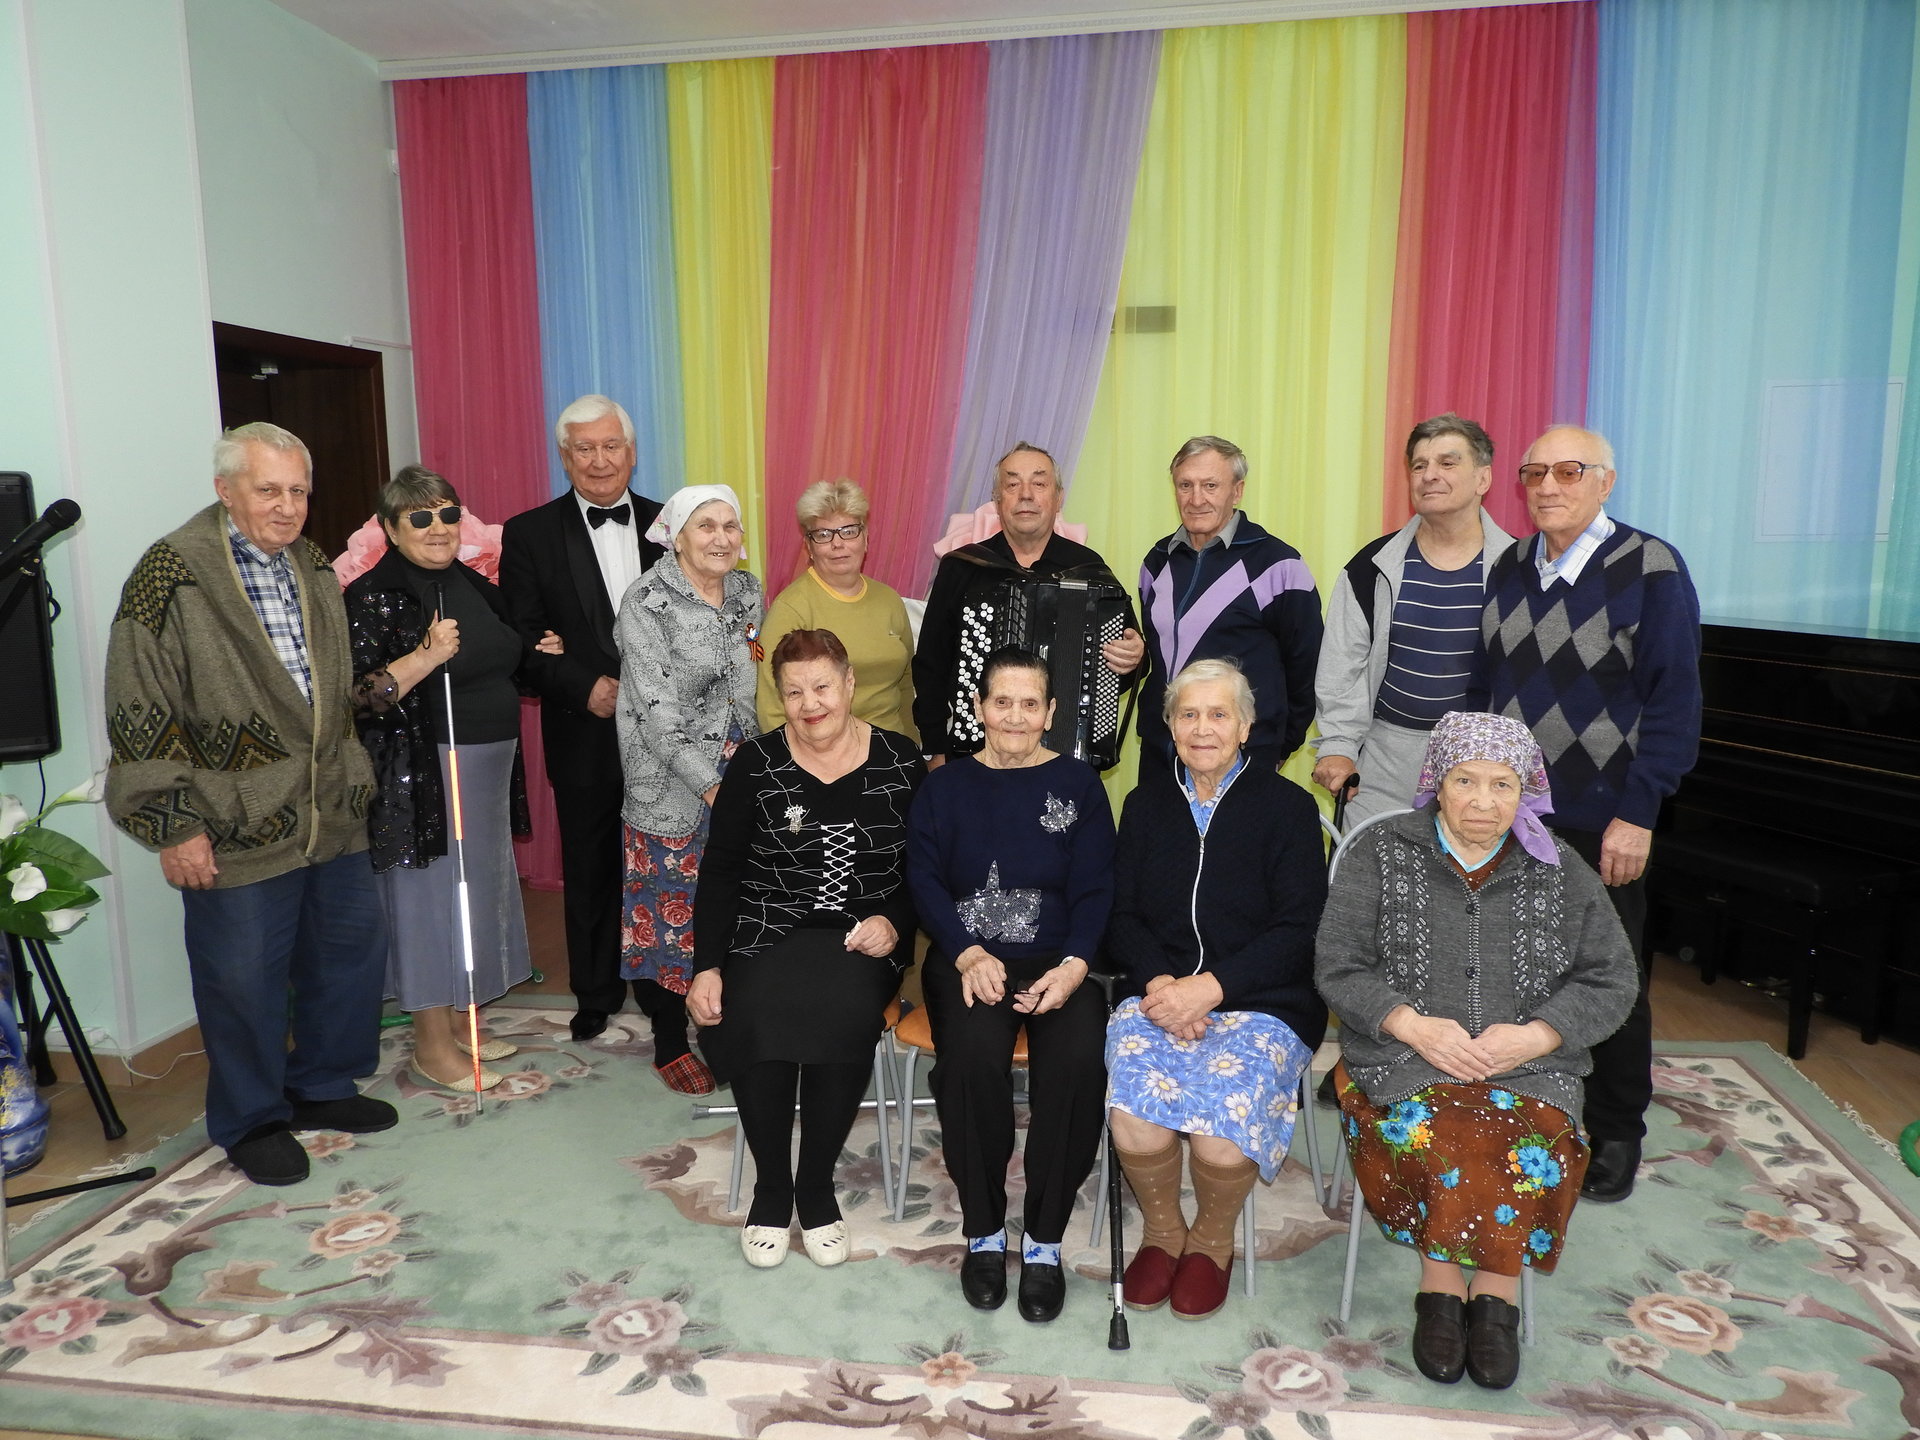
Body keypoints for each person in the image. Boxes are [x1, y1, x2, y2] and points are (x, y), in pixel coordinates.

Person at [104, 422, 394, 1186]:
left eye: (299, 491)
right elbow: (139, 703)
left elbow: (329, 691)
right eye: (269, 490)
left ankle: (322, 1084)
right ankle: (252, 1118)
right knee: (241, 980)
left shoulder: (314, 564)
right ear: (224, 489)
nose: (287, 506)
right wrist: (173, 824)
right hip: (232, 821)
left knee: (348, 956)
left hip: (330, 811)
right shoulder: (170, 574)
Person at [1314, 711, 1637, 1390]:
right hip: (1403, 1056)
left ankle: (1496, 1294)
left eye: (1501, 785)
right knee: (1438, 1131)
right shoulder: (1382, 852)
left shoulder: (1560, 867)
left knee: (1532, 1137)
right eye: (1466, 781)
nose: (1483, 802)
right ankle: (1441, 1287)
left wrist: (1537, 1035)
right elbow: (1337, 964)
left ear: (1526, 792)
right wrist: (1413, 1026)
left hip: (1531, 1065)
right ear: (1437, 782)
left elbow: (1613, 978)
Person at [1464, 425, 1701, 1203]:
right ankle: (1533, 1103)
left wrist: (1640, 813)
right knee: (1510, 971)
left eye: (1569, 471)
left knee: (1608, 977)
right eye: (1534, 472)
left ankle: (1617, 1128)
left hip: (1603, 822)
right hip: (1509, 814)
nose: (1547, 486)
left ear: (1606, 481)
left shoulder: (1650, 568)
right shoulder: (1509, 565)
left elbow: (1674, 701)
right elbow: (1482, 690)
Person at [687, 629, 924, 1268]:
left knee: (841, 1010)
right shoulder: (755, 763)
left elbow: (925, 870)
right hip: (765, 930)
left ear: (849, 684)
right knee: (752, 1009)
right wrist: (707, 966)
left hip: (860, 938)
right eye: (794, 692)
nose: (810, 704)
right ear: (779, 697)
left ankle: (816, 1187)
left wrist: (894, 921)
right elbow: (722, 869)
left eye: (822, 687)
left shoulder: (900, 760)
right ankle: (772, 1186)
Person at [1104, 659, 1328, 1320]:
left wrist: (1212, 988)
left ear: (1246, 726)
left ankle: (1210, 1240)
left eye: (1219, 714)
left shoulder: (1289, 809)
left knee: (1218, 1133)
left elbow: (1301, 929)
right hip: (1159, 993)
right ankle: (1163, 1231)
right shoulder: (1144, 805)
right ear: (1170, 726)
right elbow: (1120, 914)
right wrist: (1162, 984)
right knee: (1134, 1111)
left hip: (1265, 998)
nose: (1203, 728)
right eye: (1188, 714)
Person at [907, 647, 1115, 1324]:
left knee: (1077, 1063)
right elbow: (923, 879)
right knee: (971, 1061)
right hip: (969, 959)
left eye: (1030, 704)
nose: (1016, 717)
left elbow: (1097, 887)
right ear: (980, 709)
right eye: (1003, 703)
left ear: (1051, 713)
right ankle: (985, 1230)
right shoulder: (943, 787)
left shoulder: (1080, 785)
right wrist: (967, 953)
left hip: (1062, 961)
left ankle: (1045, 1239)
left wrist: (1075, 966)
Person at [346, 466, 561, 1092]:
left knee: (473, 893)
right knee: (429, 902)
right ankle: (431, 1045)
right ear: (390, 528)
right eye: (419, 517)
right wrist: (424, 657)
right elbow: (358, 695)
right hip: (424, 770)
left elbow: (502, 661)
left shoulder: (472, 583)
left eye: (447, 513)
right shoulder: (374, 595)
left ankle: (460, 1024)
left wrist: (536, 654)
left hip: (487, 766)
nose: (437, 527)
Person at [499, 395, 665, 1046]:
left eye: (611, 446)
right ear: (564, 457)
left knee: (662, 862)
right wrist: (582, 684)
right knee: (591, 865)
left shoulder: (670, 525)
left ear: (632, 451)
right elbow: (522, 636)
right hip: (583, 728)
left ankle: (660, 987)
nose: (599, 461)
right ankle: (595, 992)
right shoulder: (529, 533)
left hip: (665, 735)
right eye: (585, 449)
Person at [615, 484, 761, 1095]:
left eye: (730, 525)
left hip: (741, 770)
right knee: (668, 915)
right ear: (676, 538)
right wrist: (712, 789)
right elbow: (656, 714)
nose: (721, 538)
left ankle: (722, 1028)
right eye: (706, 526)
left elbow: (753, 681)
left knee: (731, 906)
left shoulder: (749, 591)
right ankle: (670, 1040)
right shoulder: (646, 601)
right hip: (671, 781)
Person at [1312, 414, 1513, 826]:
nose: (1429, 475)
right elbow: (1340, 669)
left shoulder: (1519, 571)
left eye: (1447, 463)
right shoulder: (1370, 567)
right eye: (1419, 465)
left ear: (1483, 479)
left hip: (1479, 767)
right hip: (1381, 765)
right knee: (1365, 868)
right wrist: (1338, 746)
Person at [912, 443, 1143, 765]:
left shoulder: (1090, 570)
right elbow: (930, 665)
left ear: (1058, 498)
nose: (1026, 494)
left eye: (1039, 483)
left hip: (1062, 754)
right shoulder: (962, 567)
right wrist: (936, 747)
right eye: (1012, 484)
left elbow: (1124, 666)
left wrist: (1132, 658)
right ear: (997, 500)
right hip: (974, 754)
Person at [1137, 436, 1322, 779]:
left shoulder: (1279, 565)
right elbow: (1155, 655)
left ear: (1237, 491)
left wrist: (1280, 744)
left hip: (1243, 753)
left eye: (1210, 486)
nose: (1196, 499)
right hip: (1161, 752)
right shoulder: (1156, 562)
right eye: (1185, 485)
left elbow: (1306, 666)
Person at [755, 479, 916, 741]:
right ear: (809, 546)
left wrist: (913, 748)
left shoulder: (890, 601)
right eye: (823, 535)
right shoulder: (791, 609)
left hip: (894, 750)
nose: (837, 544)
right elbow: (772, 707)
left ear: (865, 538)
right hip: (824, 752)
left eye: (848, 531)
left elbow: (906, 685)